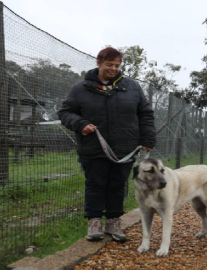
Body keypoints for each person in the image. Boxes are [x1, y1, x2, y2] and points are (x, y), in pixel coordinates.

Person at [58, 47, 156, 242]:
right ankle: (94, 222)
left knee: (118, 185)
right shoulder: (80, 88)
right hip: (94, 147)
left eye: (117, 65)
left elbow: (145, 113)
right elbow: (65, 112)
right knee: (95, 184)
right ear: (99, 63)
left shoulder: (132, 87)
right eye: (109, 64)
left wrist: (147, 139)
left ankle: (114, 221)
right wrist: (80, 124)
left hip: (125, 148)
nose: (113, 69)